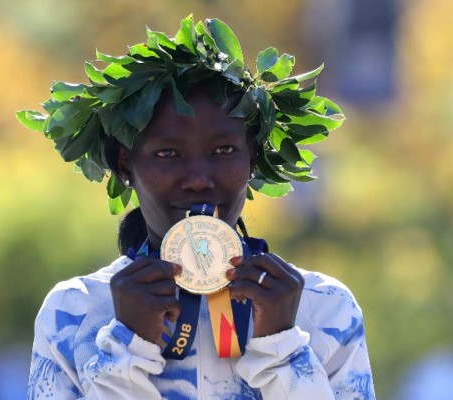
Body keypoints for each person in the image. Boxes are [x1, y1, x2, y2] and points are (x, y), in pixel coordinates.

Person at [19, 15, 375, 399]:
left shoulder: (325, 309)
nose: (198, 178)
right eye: (167, 154)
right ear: (126, 165)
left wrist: (283, 348)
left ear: (252, 159)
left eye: (224, 151)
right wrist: (126, 346)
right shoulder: (74, 313)